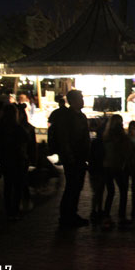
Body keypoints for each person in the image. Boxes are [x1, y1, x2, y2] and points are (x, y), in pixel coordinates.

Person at [56, 89, 90, 227]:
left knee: (76, 186)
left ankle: (71, 213)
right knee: (72, 186)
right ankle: (67, 215)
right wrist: (69, 156)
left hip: (80, 157)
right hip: (73, 157)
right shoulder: (69, 117)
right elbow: (65, 139)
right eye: (80, 98)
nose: (82, 101)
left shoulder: (79, 116)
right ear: (73, 101)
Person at [102, 114, 135, 227]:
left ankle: (106, 216)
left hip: (107, 166)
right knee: (123, 191)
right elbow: (127, 150)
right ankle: (121, 216)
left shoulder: (106, 136)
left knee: (110, 191)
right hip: (119, 166)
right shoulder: (122, 136)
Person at [0, 104, 29, 220]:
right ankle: (14, 210)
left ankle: (8, 210)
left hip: (6, 159)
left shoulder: (2, 127)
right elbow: (24, 142)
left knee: (8, 185)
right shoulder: (17, 128)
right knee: (17, 186)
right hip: (17, 159)